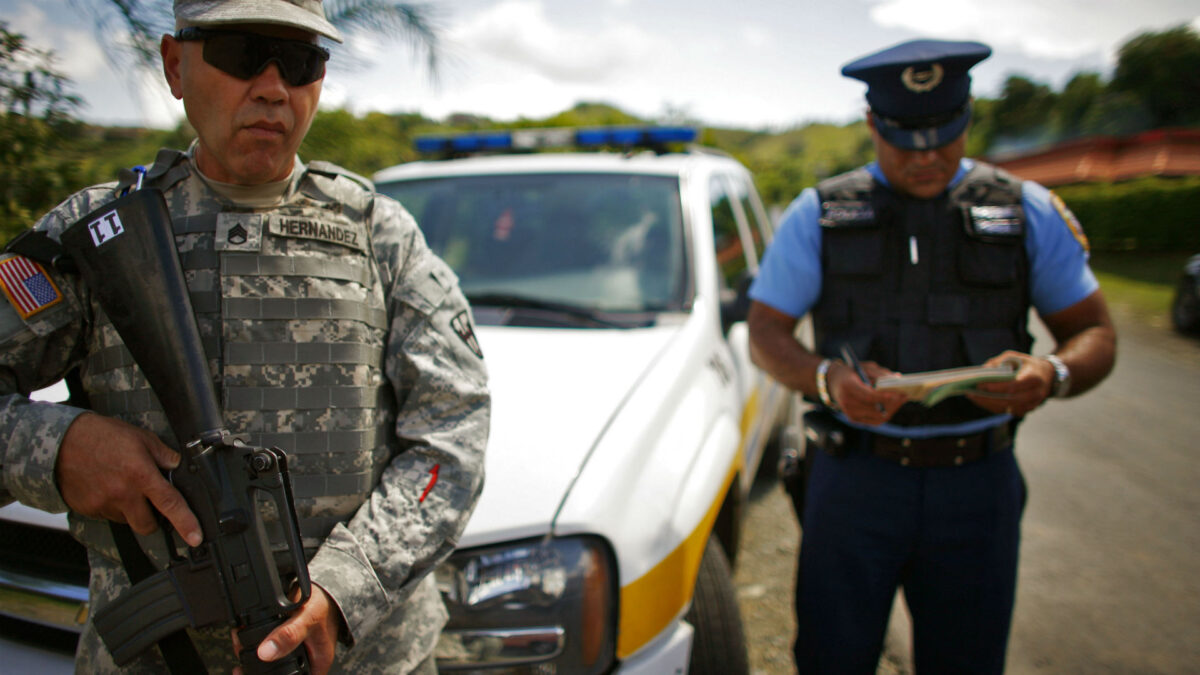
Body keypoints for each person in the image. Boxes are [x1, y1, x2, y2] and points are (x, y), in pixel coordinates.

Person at [0, 0, 489, 672]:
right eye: (240, 53)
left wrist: (345, 589)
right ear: (175, 65)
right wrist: (58, 448)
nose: (272, 87)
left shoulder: (381, 235)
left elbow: (453, 434)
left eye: (299, 60)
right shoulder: (96, 235)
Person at [747, 39, 1117, 673]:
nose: (926, 155)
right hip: (855, 483)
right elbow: (766, 332)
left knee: (967, 661)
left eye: (944, 134)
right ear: (872, 125)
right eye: (904, 137)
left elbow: (1095, 334)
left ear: (968, 116)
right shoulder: (820, 214)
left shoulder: (1025, 211)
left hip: (978, 486)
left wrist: (1051, 374)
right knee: (832, 657)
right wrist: (826, 379)